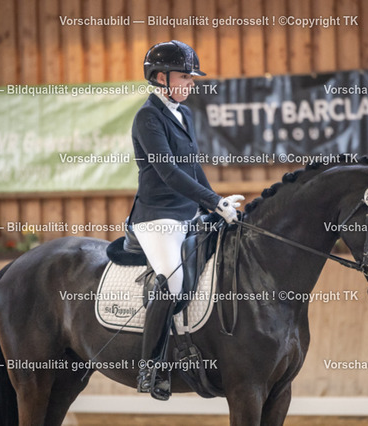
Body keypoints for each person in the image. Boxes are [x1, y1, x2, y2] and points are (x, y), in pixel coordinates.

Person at [130, 40, 244, 400]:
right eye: (184, 77)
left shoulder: (185, 115)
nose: (191, 83)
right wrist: (213, 202)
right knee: (173, 279)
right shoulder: (148, 118)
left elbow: (192, 168)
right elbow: (168, 172)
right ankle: (150, 367)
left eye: (191, 78)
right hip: (157, 217)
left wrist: (216, 204)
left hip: (189, 212)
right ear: (161, 77)